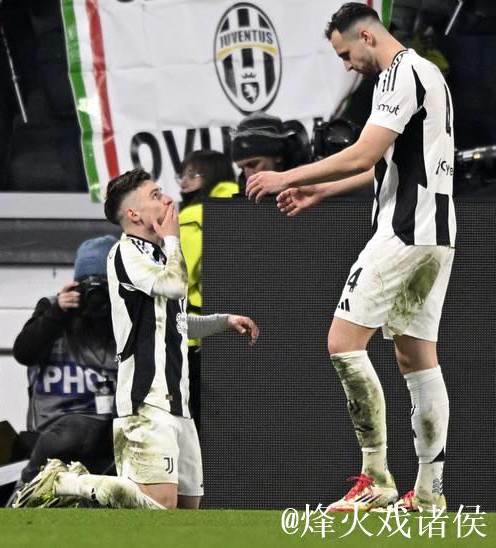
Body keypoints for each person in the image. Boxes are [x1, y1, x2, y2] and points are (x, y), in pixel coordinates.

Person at [246, 2, 455, 512]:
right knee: (416, 356)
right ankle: (430, 492)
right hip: (436, 234)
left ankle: (376, 478)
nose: (346, 66)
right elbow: (384, 163)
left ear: (366, 35)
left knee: (342, 342)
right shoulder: (424, 74)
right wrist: (322, 191)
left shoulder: (400, 74)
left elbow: (363, 153)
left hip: (404, 230)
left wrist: (287, 176)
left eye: (345, 54)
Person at [14, 168, 259, 510]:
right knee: (160, 506)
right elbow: (176, 286)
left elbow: (173, 323)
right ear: (134, 215)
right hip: (147, 401)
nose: (168, 199)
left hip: (178, 401)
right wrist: (173, 239)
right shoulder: (125, 252)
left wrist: (222, 322)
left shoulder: (159, 258)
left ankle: (74, 484)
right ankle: (66, 482)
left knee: (188, 508)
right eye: (156, 195)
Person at [10, 235, 118, 505]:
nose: (96, 297)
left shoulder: (126, 316)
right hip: (53, 433)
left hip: (109, 435)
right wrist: (57, 313)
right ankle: (26, 493)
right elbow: (24, 352)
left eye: (103, 286)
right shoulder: (53, 309)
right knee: (69, 431)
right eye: (88, 286)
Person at [178, 150, 239, 433]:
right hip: (246, 326)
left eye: (193, 174)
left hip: (201, 334)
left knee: (198, 422)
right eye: (182, 174)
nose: (184, 181)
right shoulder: (248, 205)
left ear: (213, 175)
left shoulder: (192, 216)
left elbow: (180, 276)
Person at [231, 111, 309, 188]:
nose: (248, 176)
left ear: (278, 155)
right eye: (242, 168)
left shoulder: (309, 184)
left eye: (253, 164)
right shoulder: (244, 188)